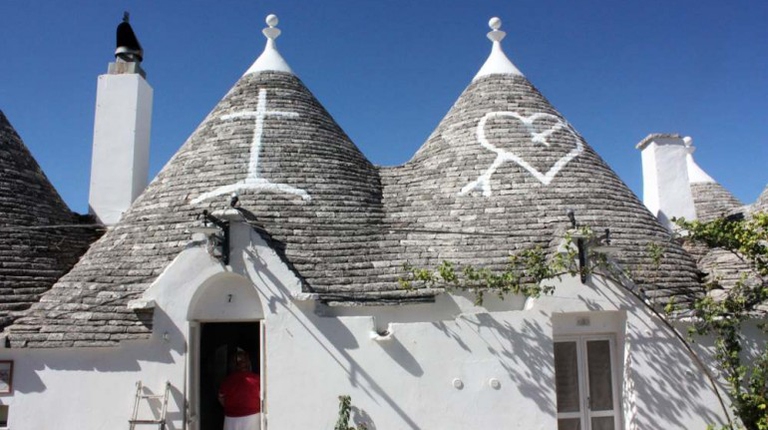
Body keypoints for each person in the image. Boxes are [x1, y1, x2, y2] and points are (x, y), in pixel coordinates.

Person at [218, 349, 261, 430]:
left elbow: (221, 398)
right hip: (252, 417)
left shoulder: (227, 381)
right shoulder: (257, 379)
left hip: (231, 419)